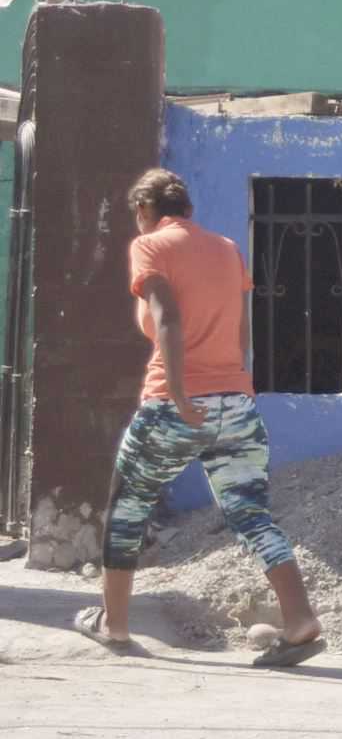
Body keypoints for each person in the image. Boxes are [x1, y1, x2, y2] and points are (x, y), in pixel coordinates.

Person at [80, 168, 324, 665]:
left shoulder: (150, 247)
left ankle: (117, 625)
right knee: (252, 514)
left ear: (145, 211)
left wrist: (180, 391)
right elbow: (241, 331)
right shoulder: (227, 249)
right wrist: (237, 385)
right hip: (236, 403)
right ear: (188, 208)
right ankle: (300, 621)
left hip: (174, 403)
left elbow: (167, 318)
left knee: (126, 510)